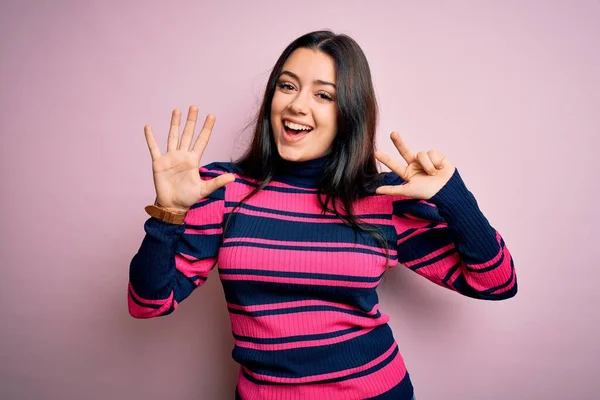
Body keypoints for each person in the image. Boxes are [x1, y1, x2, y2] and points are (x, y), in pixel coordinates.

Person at [128, 30, 518, 400]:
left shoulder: (381, 197)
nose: (298, 104)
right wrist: (169, 214)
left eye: (324, 95)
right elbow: (148, 302)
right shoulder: (222, 188)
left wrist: (454, 197)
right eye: (287, 86)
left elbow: (496, 283)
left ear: (349, 112)